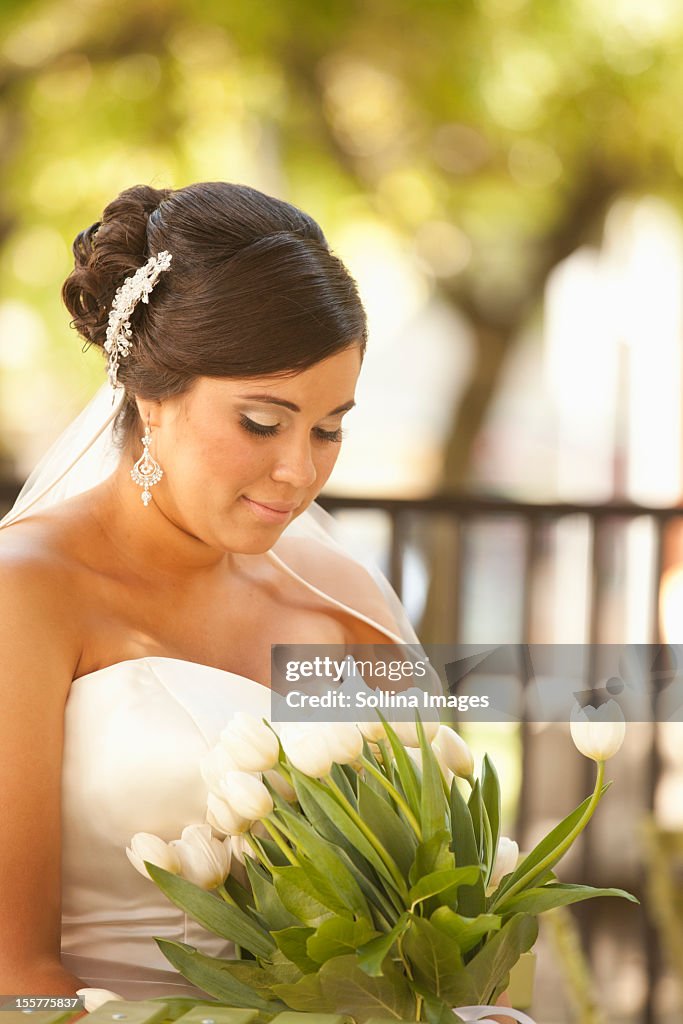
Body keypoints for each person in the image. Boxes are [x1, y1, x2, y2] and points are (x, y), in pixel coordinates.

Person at [0, 182, 416, 999]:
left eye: (329, 428)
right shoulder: (28, 597)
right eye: (262, 423)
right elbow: (15, 981)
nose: (300, 471)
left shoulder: (340, 599)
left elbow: (436, 894)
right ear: (152, 396)